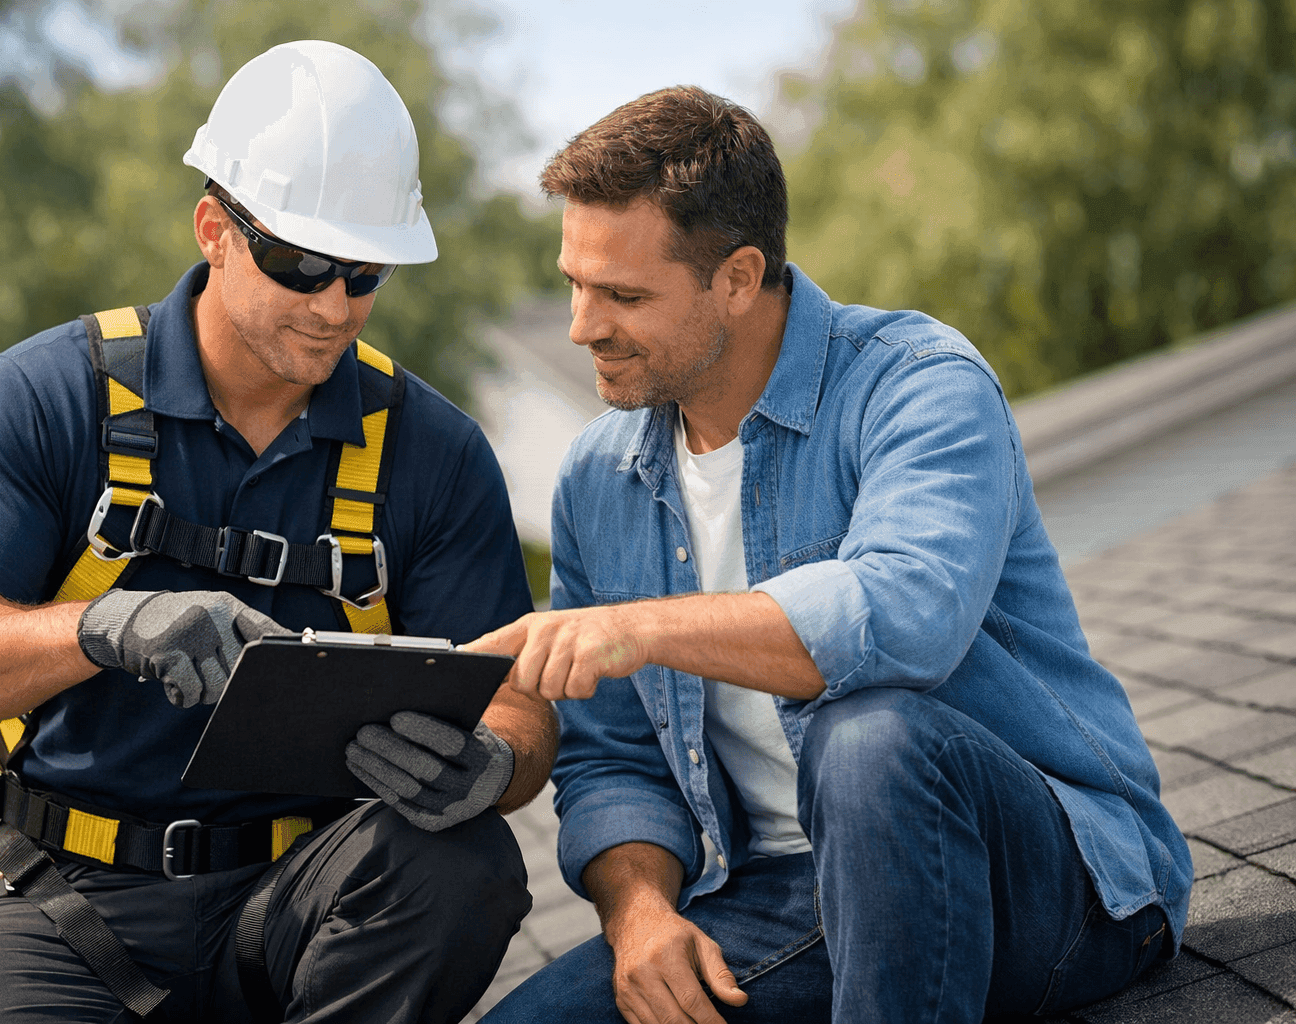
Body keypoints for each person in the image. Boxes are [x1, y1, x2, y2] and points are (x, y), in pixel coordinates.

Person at [470, 86, 1191, 1024]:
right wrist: (643, 915)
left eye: (623, 294)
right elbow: (613, 760)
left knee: (868, 739)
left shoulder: (918, 383)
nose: (581, 324)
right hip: (783, 895)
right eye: (575, 282)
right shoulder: (597, 482)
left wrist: (636, 629)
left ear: (736, 277)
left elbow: (904, 617)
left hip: (1059, 886)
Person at [0, 40, 556, 1024]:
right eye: (299, 261)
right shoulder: (51, 394)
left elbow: (518, 706)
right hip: (58, 889)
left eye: (364, 272)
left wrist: (493, 764)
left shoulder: (432, 452)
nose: (333, 306)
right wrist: (96, 628)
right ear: (214, 229)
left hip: (304, 903)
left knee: (462, 861)